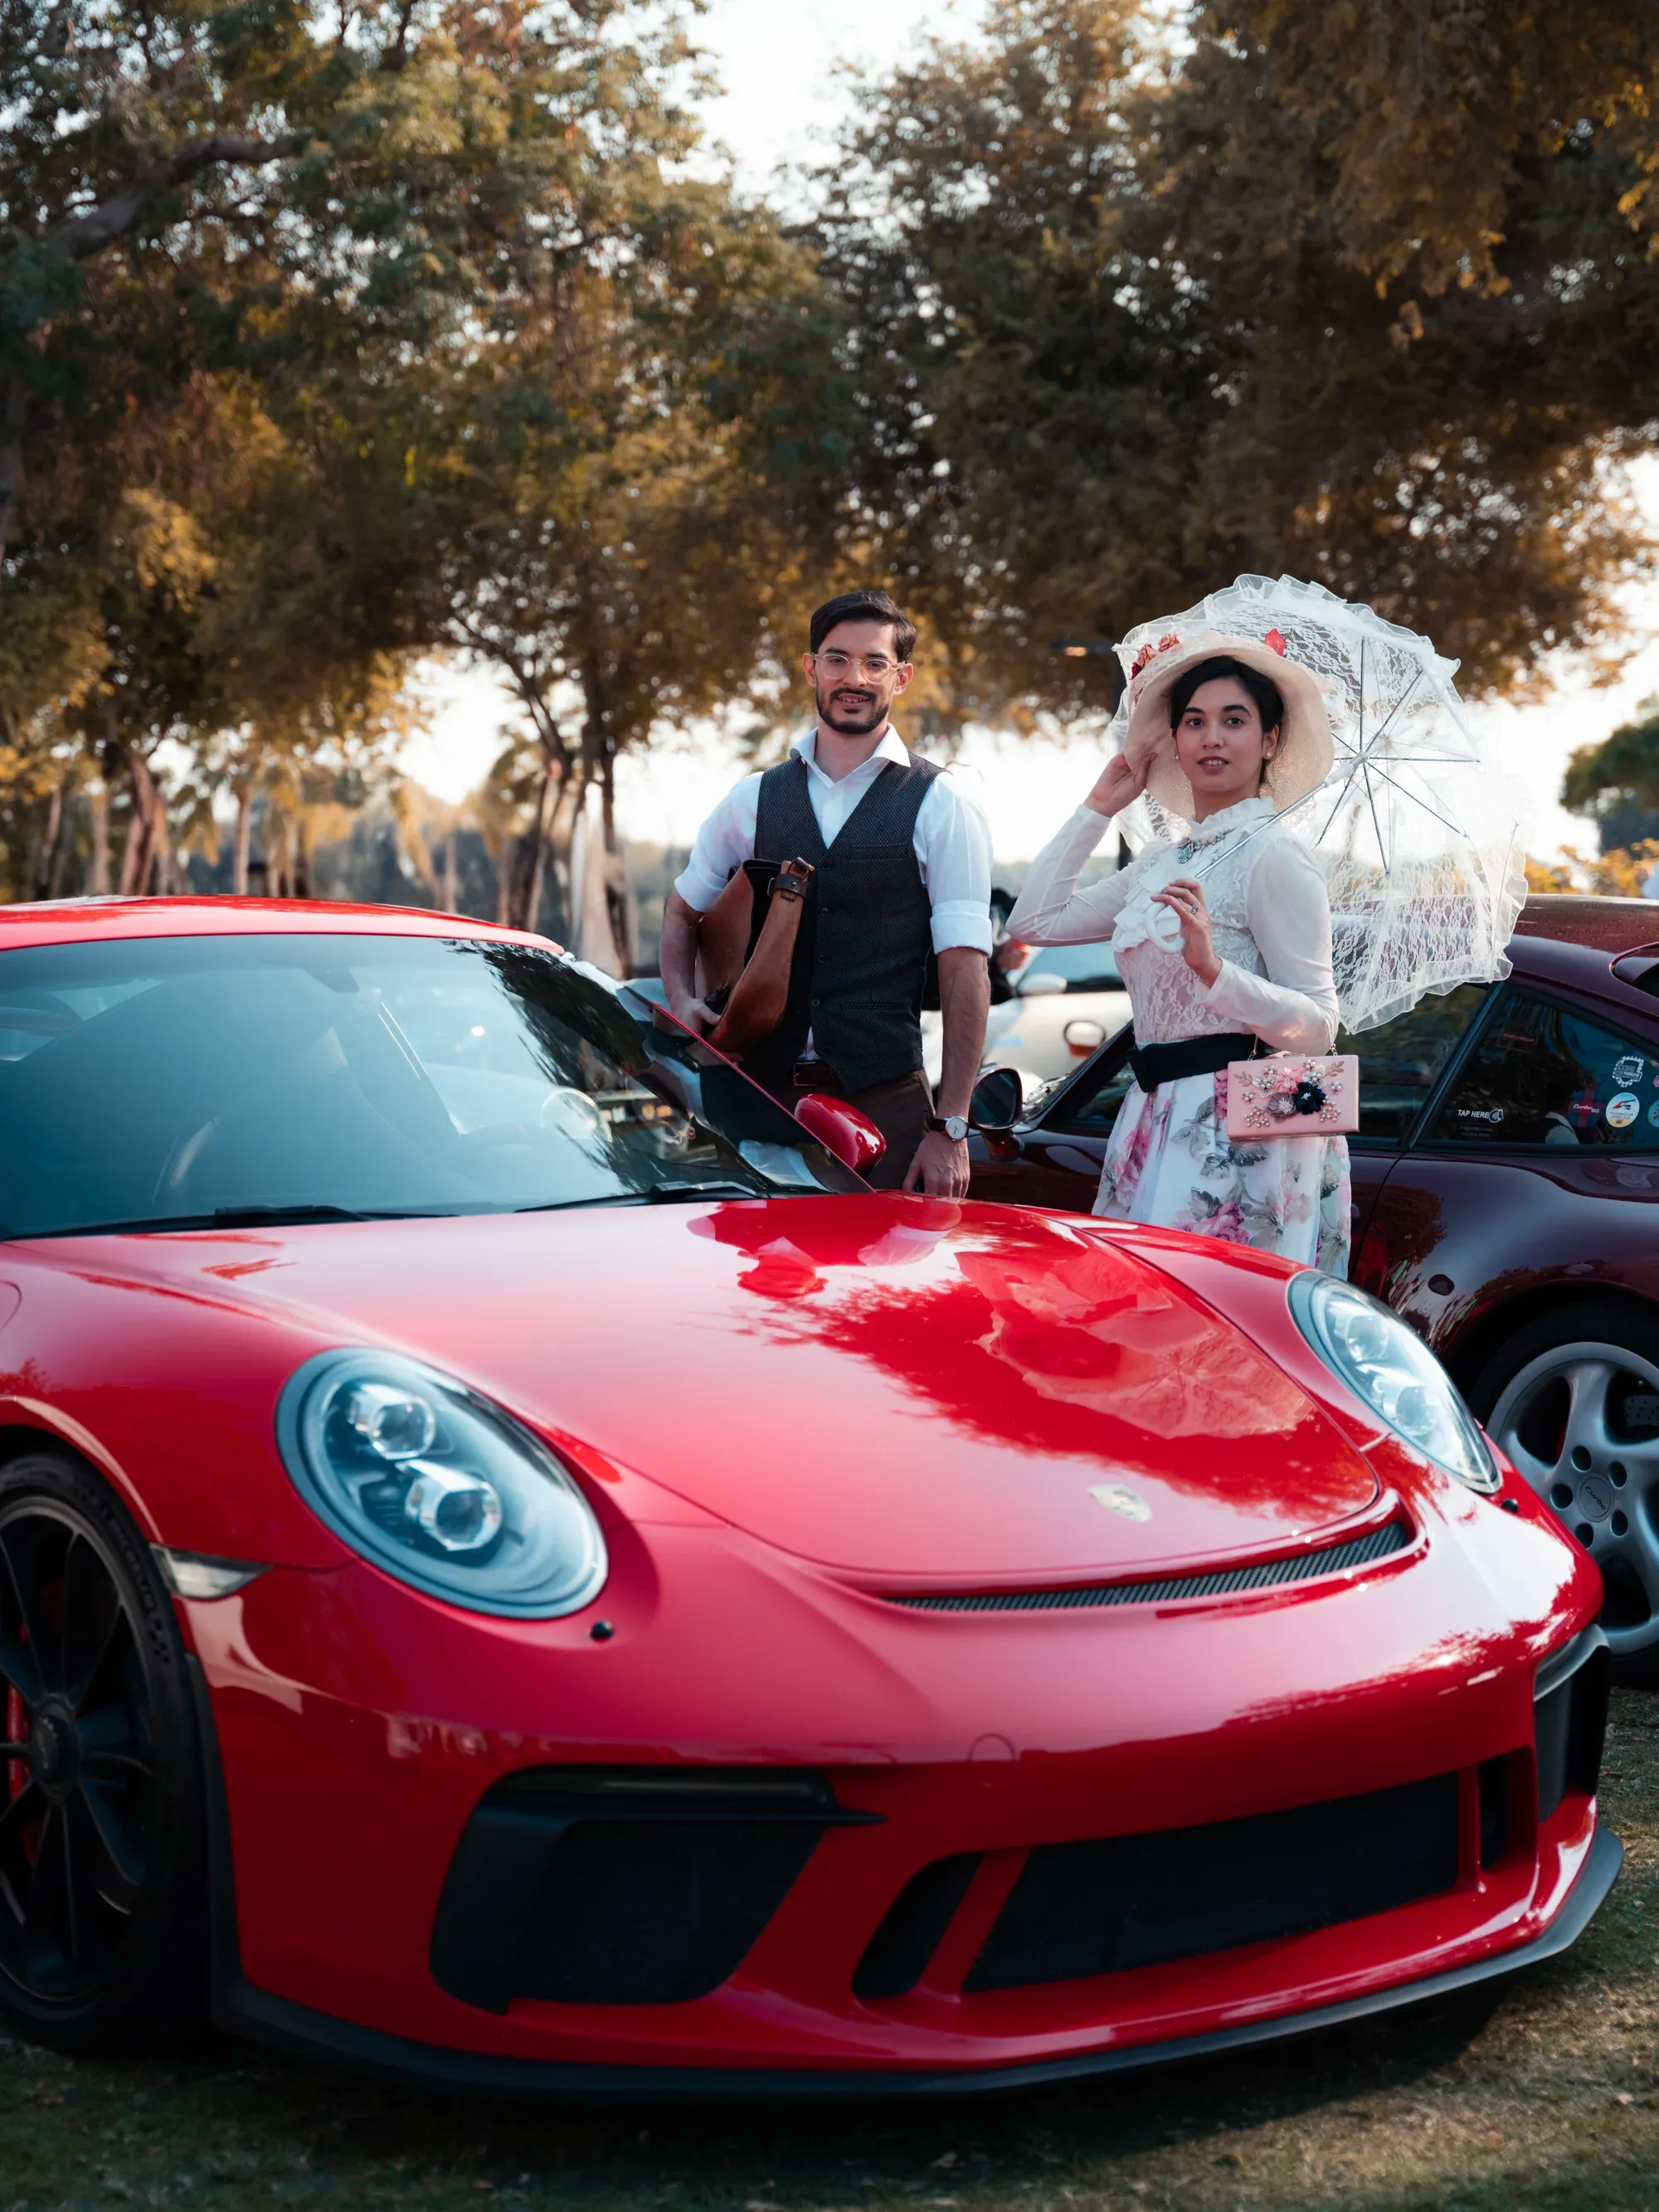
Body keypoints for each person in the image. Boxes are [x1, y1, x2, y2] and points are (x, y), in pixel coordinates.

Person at [1010, 630, 1350, 1273]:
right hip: (1154, 1112)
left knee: (1211, 1312)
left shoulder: (1275, 855)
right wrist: (1097, 808)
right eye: (1194, 721)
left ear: (1270, 739)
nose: (1211, 737)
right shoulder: (1162, 863)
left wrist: (1213, 969)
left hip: (1242, 1129)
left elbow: (1318, 1026)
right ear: (1174, 740)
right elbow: (1035, 920)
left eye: (1234, 720)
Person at [659, 589, 993, 1194]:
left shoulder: (943, 803)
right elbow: (682, 911)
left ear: (901, 677)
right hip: (754, 1102)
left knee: (891, 1260)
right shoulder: (753, 797)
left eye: (874, 662)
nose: (854, 678)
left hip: (886, 1106)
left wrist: (951, 1127)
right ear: (811, 668)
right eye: (837, 659)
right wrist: (681, 999)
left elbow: (963, 972)